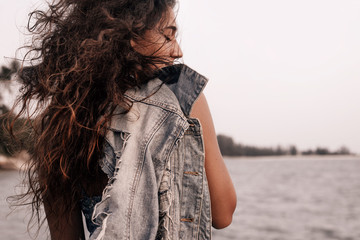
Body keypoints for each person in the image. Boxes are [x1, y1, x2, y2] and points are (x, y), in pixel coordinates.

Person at [9, 0, 236, 239]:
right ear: (131, 35)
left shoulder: (61, 126)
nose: (178, 51)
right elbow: (222, 215)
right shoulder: (182, 98)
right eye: (168, 36)